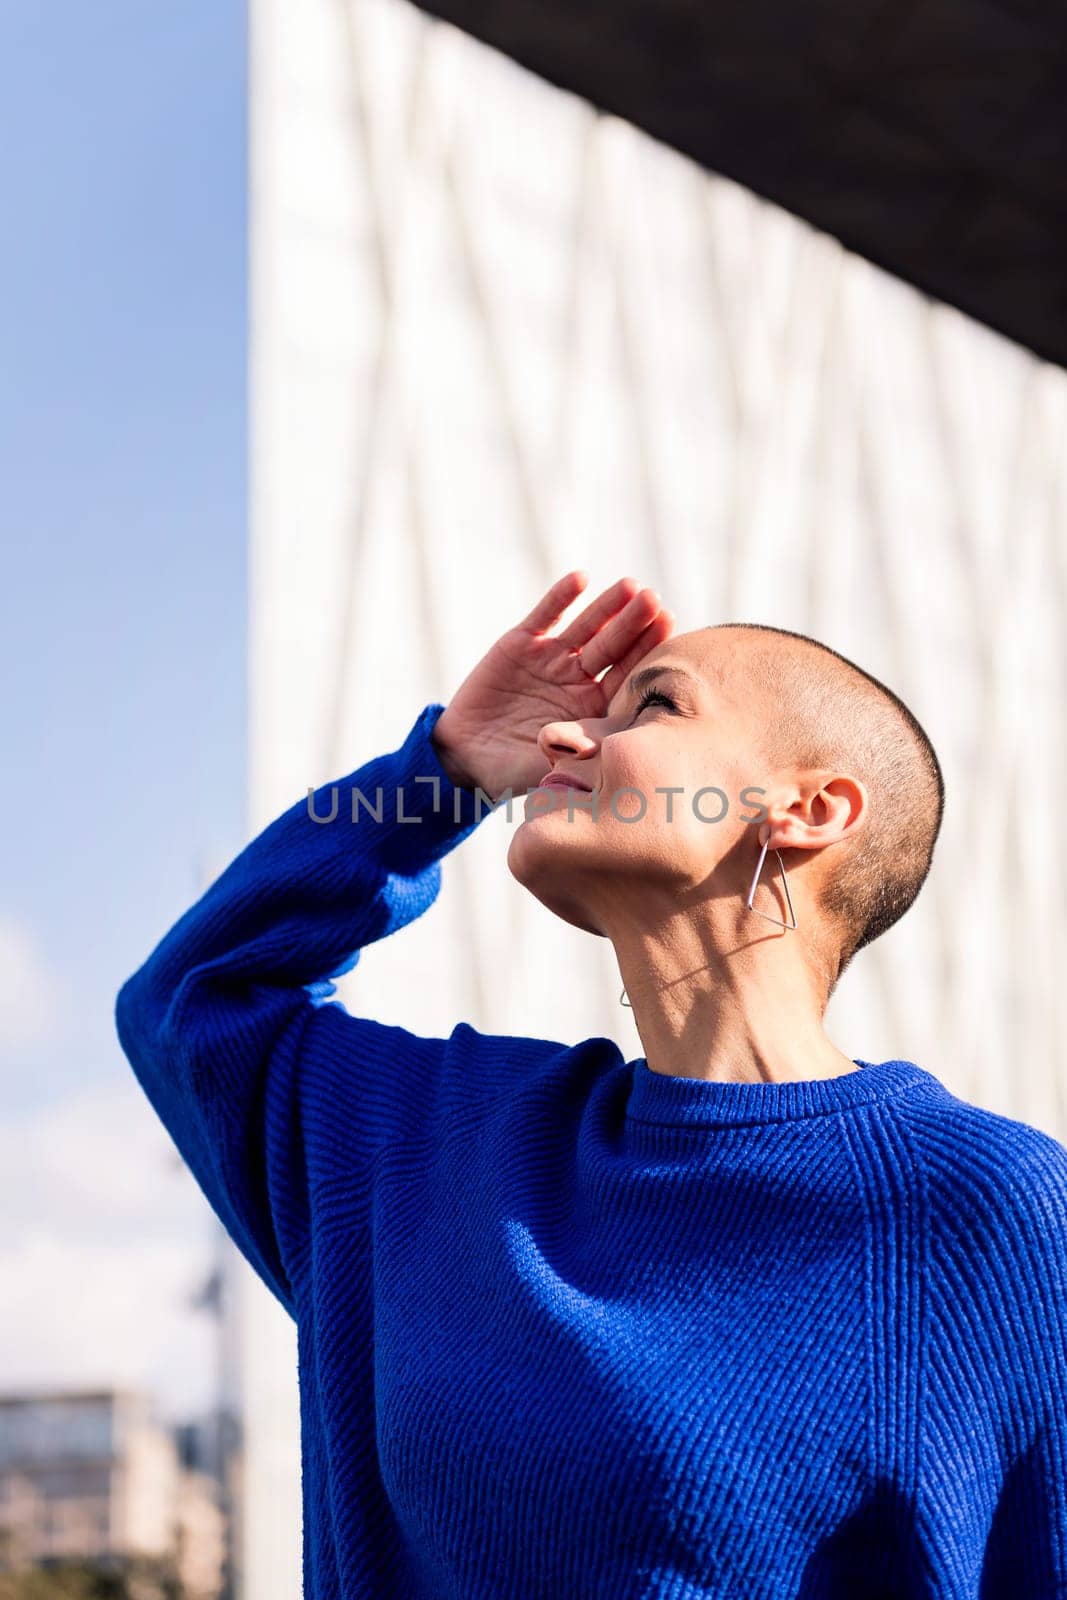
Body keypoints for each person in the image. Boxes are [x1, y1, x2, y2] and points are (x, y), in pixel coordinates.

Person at [115, 571, 1067, 1598]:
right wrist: (442, 778)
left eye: (652, 705)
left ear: (808, 808)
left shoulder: (986, 1209)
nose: (564, 741)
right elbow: (194, 1002)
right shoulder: (432, 1141)